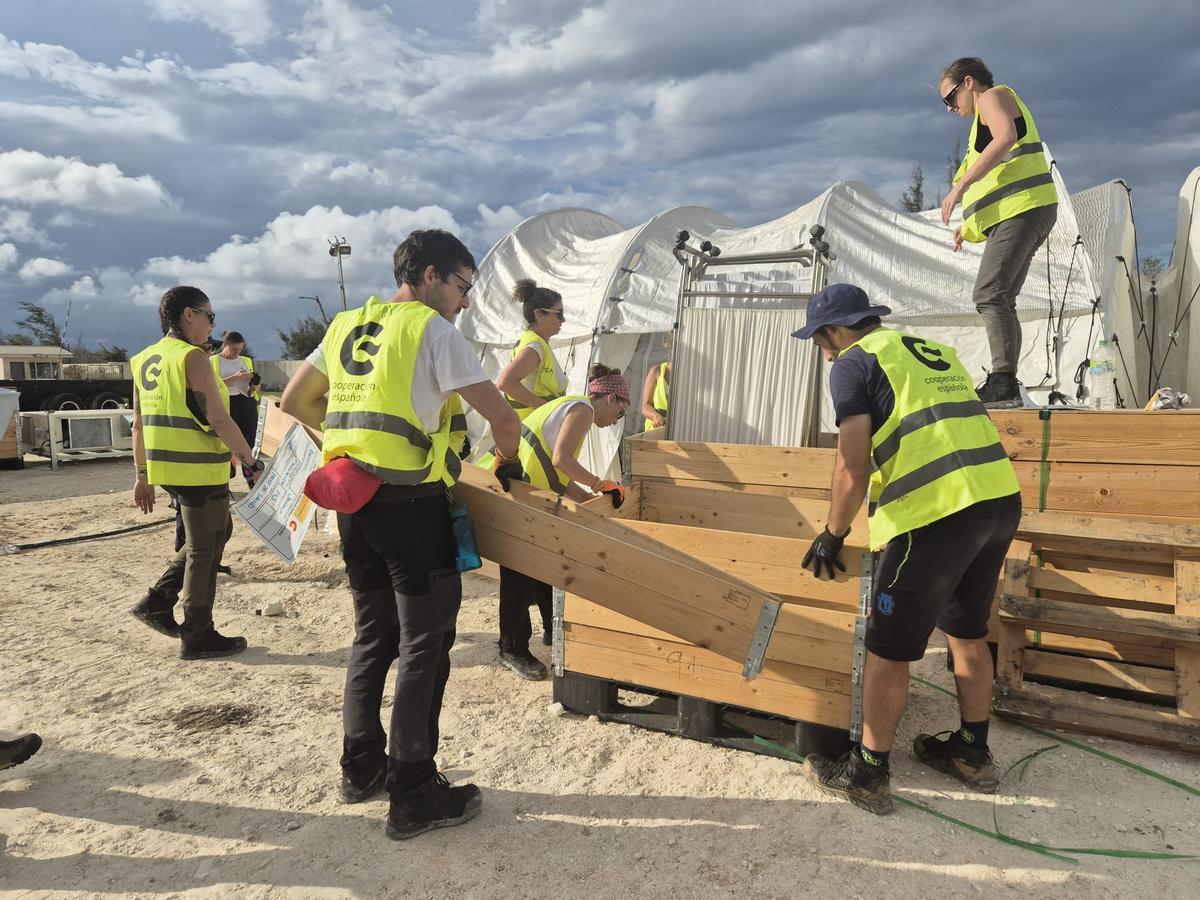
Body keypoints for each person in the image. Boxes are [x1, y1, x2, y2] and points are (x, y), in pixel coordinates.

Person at [280, 229, 523, 841]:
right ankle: (413, 789)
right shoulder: (432, 330)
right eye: (464, 286)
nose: (466, 301)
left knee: (373, 636)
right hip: (412, 507)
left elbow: (293, 398)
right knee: (425, 643)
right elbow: (501, 416)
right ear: (434, 275)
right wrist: (508, 465)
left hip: (354, 505)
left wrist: (352, 449)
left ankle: (360, 766)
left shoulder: (344, 326)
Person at [791, 283, 1021, 815]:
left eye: (819, 338)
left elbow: (853, 464)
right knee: (967, 631)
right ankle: (971, 752)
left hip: (934, 514)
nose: (821, 349)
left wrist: (833, 533)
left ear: (834, 331)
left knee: (887, 648)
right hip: (997, 501)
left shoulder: (852, 363)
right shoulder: (931, 350)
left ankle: (867, 774)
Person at [128, 286, 262, 659]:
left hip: (167, 468)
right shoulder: (193, 358)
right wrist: (250, 462)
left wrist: (142, 475)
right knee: (205, 548)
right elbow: (218, 417)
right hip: (198, 470)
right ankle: (196, 633)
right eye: (209, 316)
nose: (212, 325)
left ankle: (157, 602)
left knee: (218, 532)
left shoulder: (143, 359)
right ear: (189, 314)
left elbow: (138, 425)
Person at [492, 363, 630, 681]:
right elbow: (561, 461)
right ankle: (511, 648)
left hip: (528, 491)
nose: (614, 423)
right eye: (619, 415)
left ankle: (553, 632)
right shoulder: (581, 410)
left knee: (547, 565)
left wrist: (591, 503)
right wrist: (601, 484)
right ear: (610, 399)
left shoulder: (573, 409)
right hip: (518, 492)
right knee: (518, 573)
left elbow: (557, 474)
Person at [938, 57, 1058, 409]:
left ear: (969, 82)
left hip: (1023, 209)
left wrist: (958, 188)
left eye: (950, 98)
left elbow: (1006, 137)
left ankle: (1003, 382)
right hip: (1027, 209)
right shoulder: (981, 120)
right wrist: (969, 226)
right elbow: (995, 181)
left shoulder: (991, 97)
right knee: (1002, 298)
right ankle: (1005, 380)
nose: (949, 108)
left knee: (989, 294)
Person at [495, 279, 568, 421]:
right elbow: (505, 383)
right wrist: (549, 409)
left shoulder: (535, 342)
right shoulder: (535, 347)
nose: (563, 319)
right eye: (559, 313)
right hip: (534, 426)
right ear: (539, 314)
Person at [212, 330, 261, 485]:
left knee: (248, 443)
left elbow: (255, 389)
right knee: (226, 444)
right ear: (225, 345)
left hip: (246, 403)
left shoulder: (245, 360)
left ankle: (250, 479)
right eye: (233, 349)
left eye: (240, 349)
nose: (237, 353)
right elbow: (212, 386)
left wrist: (255, 383)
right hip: (226, 404)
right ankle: (225, 480)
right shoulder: (213, 361)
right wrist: (235, 378)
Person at [641, 359, 670, 432]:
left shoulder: (691, 376)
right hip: (655, 431)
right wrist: (655, 416)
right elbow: (645, 406)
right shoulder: (656, 371)